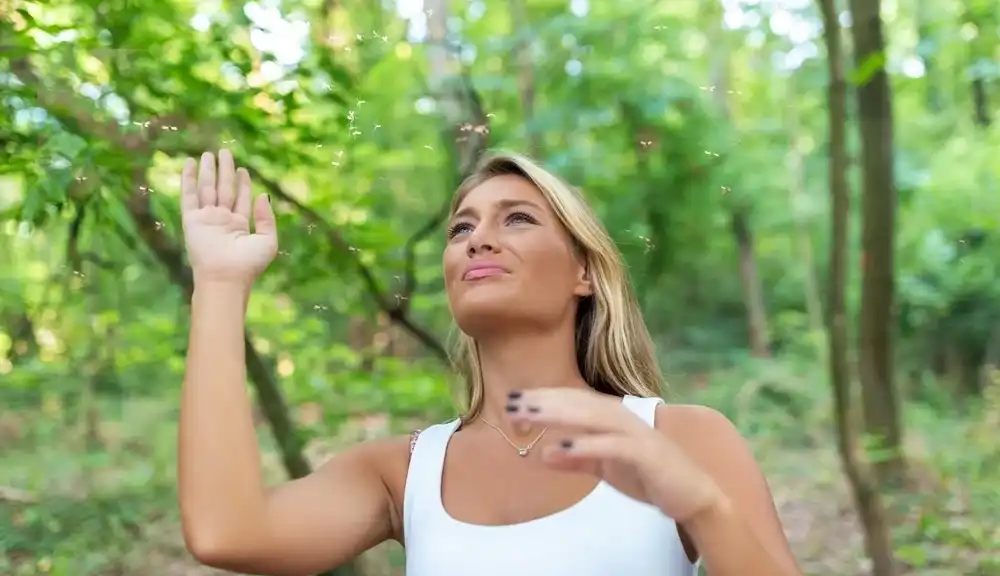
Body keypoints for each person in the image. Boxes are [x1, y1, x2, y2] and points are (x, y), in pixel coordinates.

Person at [177, 148, 800, 576]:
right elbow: (226, 532)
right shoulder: (402, 473)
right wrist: (221, 282)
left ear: (584, 271)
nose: (477, 238)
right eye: (460, 229)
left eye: (519, 219)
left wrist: (701, 505)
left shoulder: (684, 436)